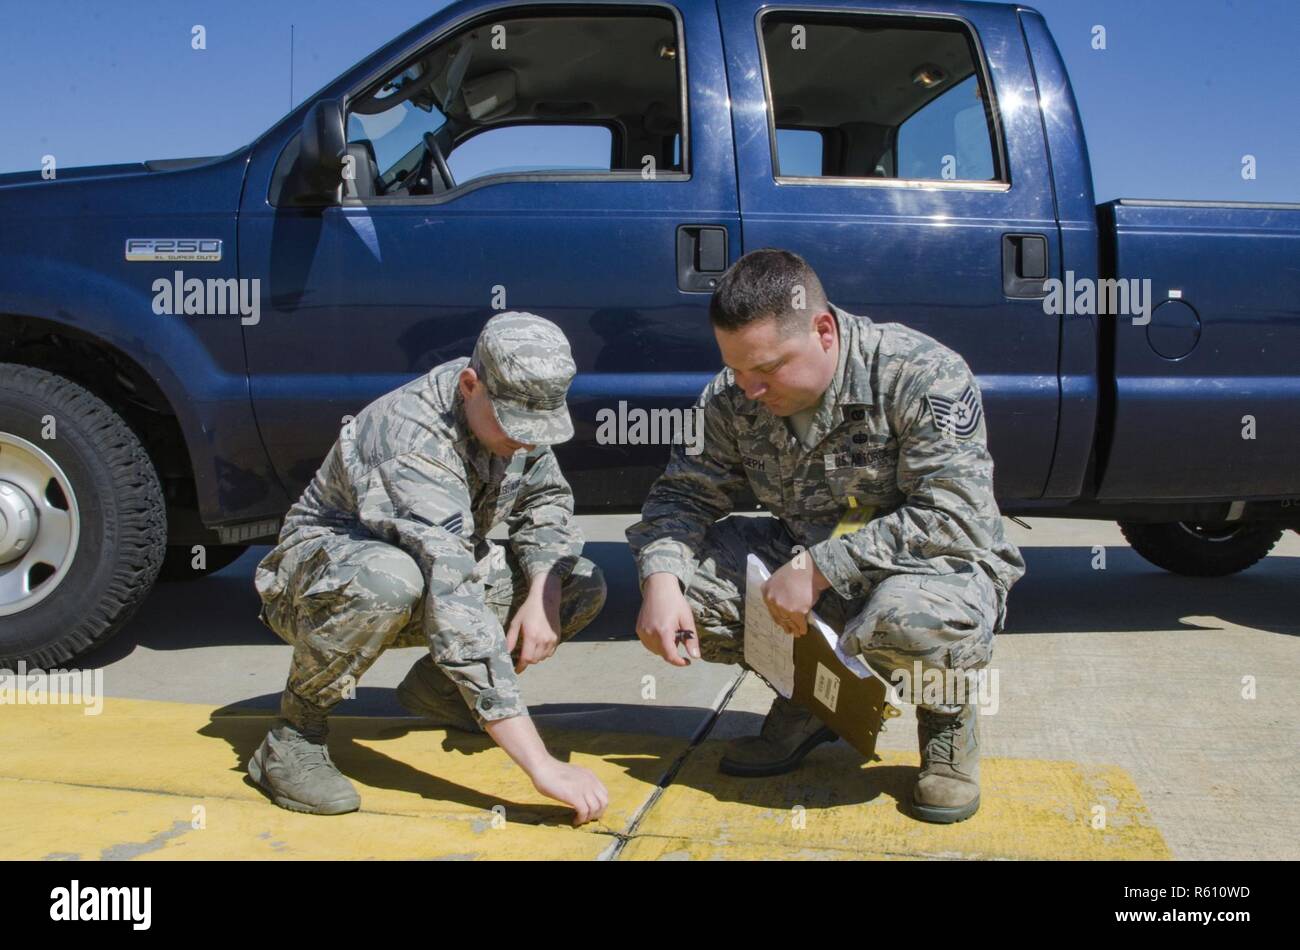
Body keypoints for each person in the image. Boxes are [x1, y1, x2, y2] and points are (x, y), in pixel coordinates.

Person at [626, 249, 1026, 823]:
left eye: (767, 369)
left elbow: (956, 513)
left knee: (906, 619)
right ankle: (813, 702)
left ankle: (946, 722)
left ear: (823, 330)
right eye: (737, 369)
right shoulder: (732, 395)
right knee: (687, 592)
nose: (750, 387)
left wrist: (819, 568)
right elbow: (682, 497)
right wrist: (661, 582)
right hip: (802, 566)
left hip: (931, 571)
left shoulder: (918, 372)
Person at [249, 312, 609, 825]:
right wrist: (540, 766)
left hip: (428, 568)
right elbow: (452, 586)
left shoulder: (516, 406)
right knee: (393, 579)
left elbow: (546, 501)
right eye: (516, 428)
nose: (527, 442)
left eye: (538, 430)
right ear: (470, 385)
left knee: (577, 581)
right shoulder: (412, 438)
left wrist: (541, 595)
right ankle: (293, 734)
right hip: (320, 581)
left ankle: (442, 693)